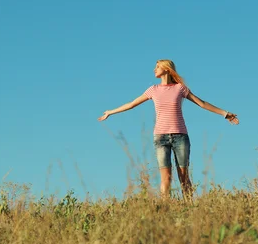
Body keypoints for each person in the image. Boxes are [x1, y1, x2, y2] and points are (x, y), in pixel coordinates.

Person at [98, 59, 239, 200]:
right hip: (160, 138)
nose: (154, 69)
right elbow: (132, 104)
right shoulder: (153, 90)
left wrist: (225, 114)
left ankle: (190, 208)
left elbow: (201, 103)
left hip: (180, 137)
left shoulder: (180, 88)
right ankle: (166, 211)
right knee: (166, 179)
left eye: (157, 66)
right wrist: (110, 112)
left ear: (166, 69)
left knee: (183, 177)